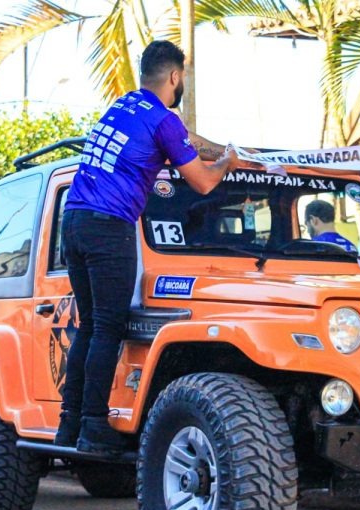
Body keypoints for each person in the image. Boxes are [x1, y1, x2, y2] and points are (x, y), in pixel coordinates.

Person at [55, 40, 240, 453]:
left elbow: (186, 139)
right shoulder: (163, 121)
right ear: (175, 77)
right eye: (182, 79)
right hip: (110, 227)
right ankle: (92, 426)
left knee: (89, 325)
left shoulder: (123, 107)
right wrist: (230, 162)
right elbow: (205, 182)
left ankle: (69, 425)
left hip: (76, 220)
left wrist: (218, 149)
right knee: (108, 325)